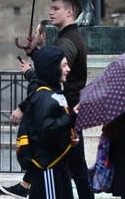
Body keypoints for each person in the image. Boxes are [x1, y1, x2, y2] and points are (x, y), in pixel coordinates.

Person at [2, 0, 91, 199]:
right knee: (73, 168)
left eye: (56, 8)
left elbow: (51, 77)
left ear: (70, 12)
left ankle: (25, 186)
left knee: (68, 167)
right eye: (51, 8)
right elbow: (52, 69)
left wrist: (24, 105)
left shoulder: (68, 41)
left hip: (63, 113)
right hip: (65, 112)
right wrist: (35, 52)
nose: (51, 12)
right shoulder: (68, 38)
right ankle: (26, 186)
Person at [25, 45, 78, 199]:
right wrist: (72, 116)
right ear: (52, 69)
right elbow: (46, 130)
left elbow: (55, 126)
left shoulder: (54, 93)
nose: (68, 69)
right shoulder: (44, 97)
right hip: (48, 165)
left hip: (58, 164)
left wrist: (70, 137)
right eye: (64, 65)